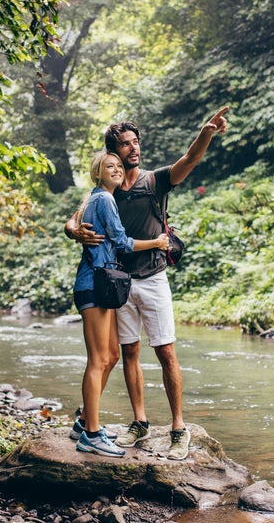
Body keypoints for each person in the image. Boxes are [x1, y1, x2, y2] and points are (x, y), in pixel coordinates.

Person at [65, 107, 229, 460]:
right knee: (128, 353)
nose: (133, 148)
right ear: (113, 153)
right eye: (125, 144)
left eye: (136, 142)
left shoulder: (154, 180)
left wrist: (207, 134)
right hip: (117, 283)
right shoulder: (107, 187)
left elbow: (189, 159)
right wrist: (75, 231)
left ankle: (178, 428)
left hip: (153, 278)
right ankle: (139, 422)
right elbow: (73, 220)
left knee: (166, 351)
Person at [71, 151, 169, 457]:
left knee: (112, 354)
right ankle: (90, 435)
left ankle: (86, 420)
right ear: (97, 174)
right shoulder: (104, 199)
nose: (115, 169)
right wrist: (157, 242)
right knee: (98, 359)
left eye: (117, 166)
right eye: (108, 167)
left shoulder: (94, 198)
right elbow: (122, 241)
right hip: (94, 284)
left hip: (101, 285)